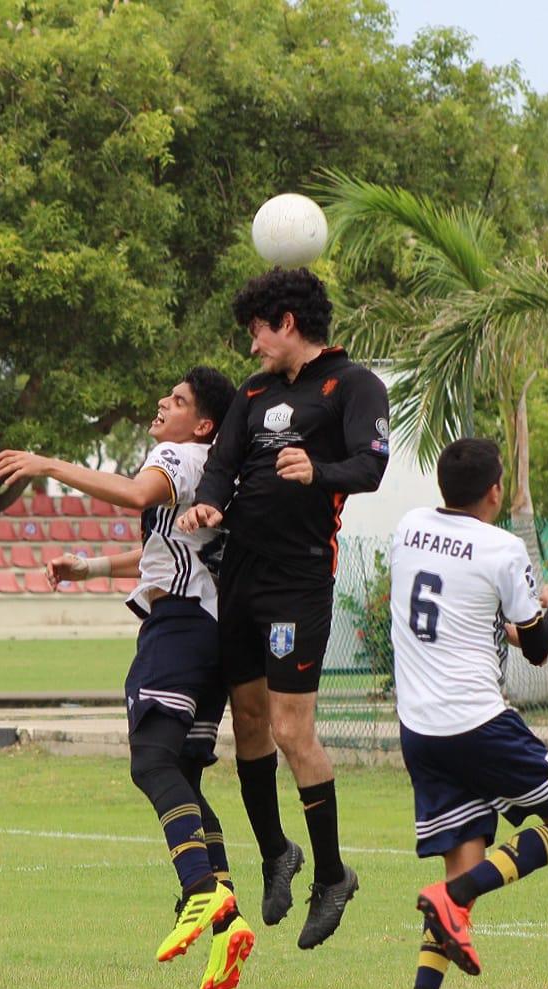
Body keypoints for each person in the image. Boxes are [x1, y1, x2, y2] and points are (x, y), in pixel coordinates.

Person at [0, 367, 252, 989]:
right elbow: (166, 545)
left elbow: (136, 497)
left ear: (205, 424)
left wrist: (49, 464)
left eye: (181, 400)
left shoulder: (179, 456)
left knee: (150, 761)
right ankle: (225, 919)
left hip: (179, 630)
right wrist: (88, 568)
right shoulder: (211, 472)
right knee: (181, 774)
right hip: (213, 636)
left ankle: (199, 890)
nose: (163, 403)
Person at [178, 267, 390, 950]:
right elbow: (224, 465)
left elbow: (372, 465)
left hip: (297, 581)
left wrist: (318, 472)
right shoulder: (254, 393)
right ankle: (276, 852)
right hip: (240, 573)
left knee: (293, 730)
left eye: (258, 333)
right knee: (247, 725)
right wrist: (209, 501)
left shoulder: (354, 386)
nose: (252, 348)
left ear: (288, 324)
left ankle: (331, 874)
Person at [387, 437, 548, 989]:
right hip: (474, 722)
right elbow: (538, 649)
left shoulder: (411, 528)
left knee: (464, 873)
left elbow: (459, 615)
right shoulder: (504, 549)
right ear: (496, 492)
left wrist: (513, 622)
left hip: (421, 730)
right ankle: (454, 897)